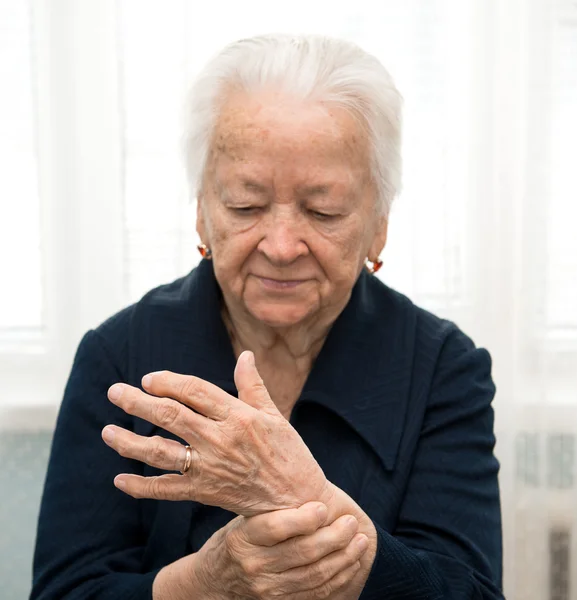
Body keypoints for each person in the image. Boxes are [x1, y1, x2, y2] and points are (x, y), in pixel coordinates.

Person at [30, 34, 503, 599]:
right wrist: (205, 584)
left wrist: (300, 500)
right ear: (202, 214)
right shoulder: (120, 353)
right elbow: (65, 590)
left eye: (322, 209)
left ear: (379, 223)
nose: (281, 246)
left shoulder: (443, 367)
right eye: (245, 205)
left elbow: (470, 592)